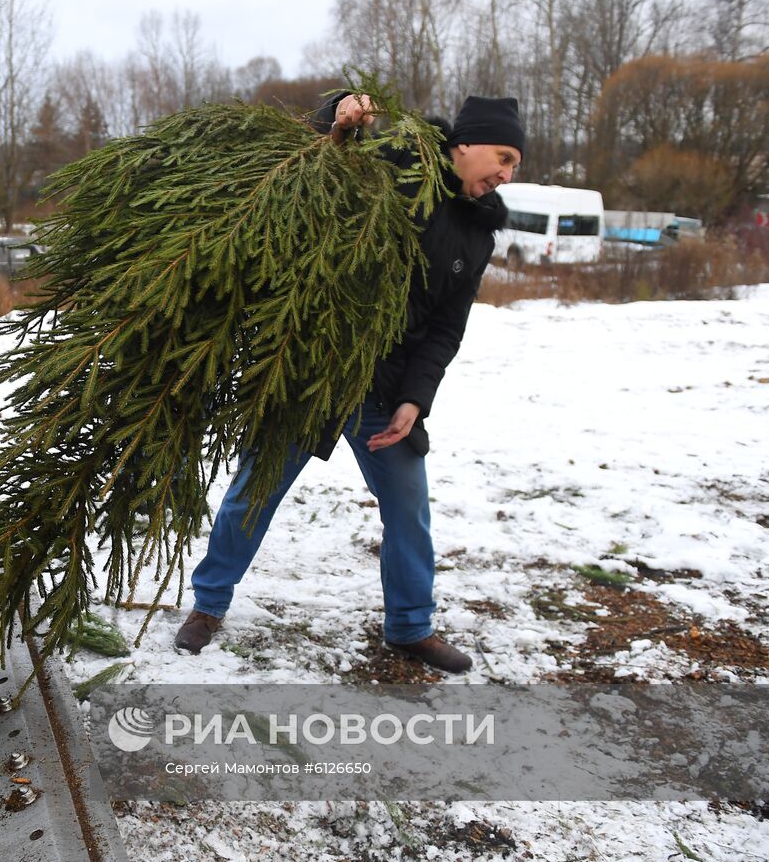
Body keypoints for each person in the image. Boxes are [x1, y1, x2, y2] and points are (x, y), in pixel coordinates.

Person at [174, 94, 525, 674]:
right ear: (464, 145)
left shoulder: (476, 236)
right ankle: (208, 606)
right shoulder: (397, 162)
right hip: (316, 371)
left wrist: (416, 399)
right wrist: (340, 112)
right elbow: (321, 170)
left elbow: (445, 330)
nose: (507, 175)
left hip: (386, 393)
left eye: (515, 166)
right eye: (503, 157)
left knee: (410, 509)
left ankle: (411, 627)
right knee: (252, 494)